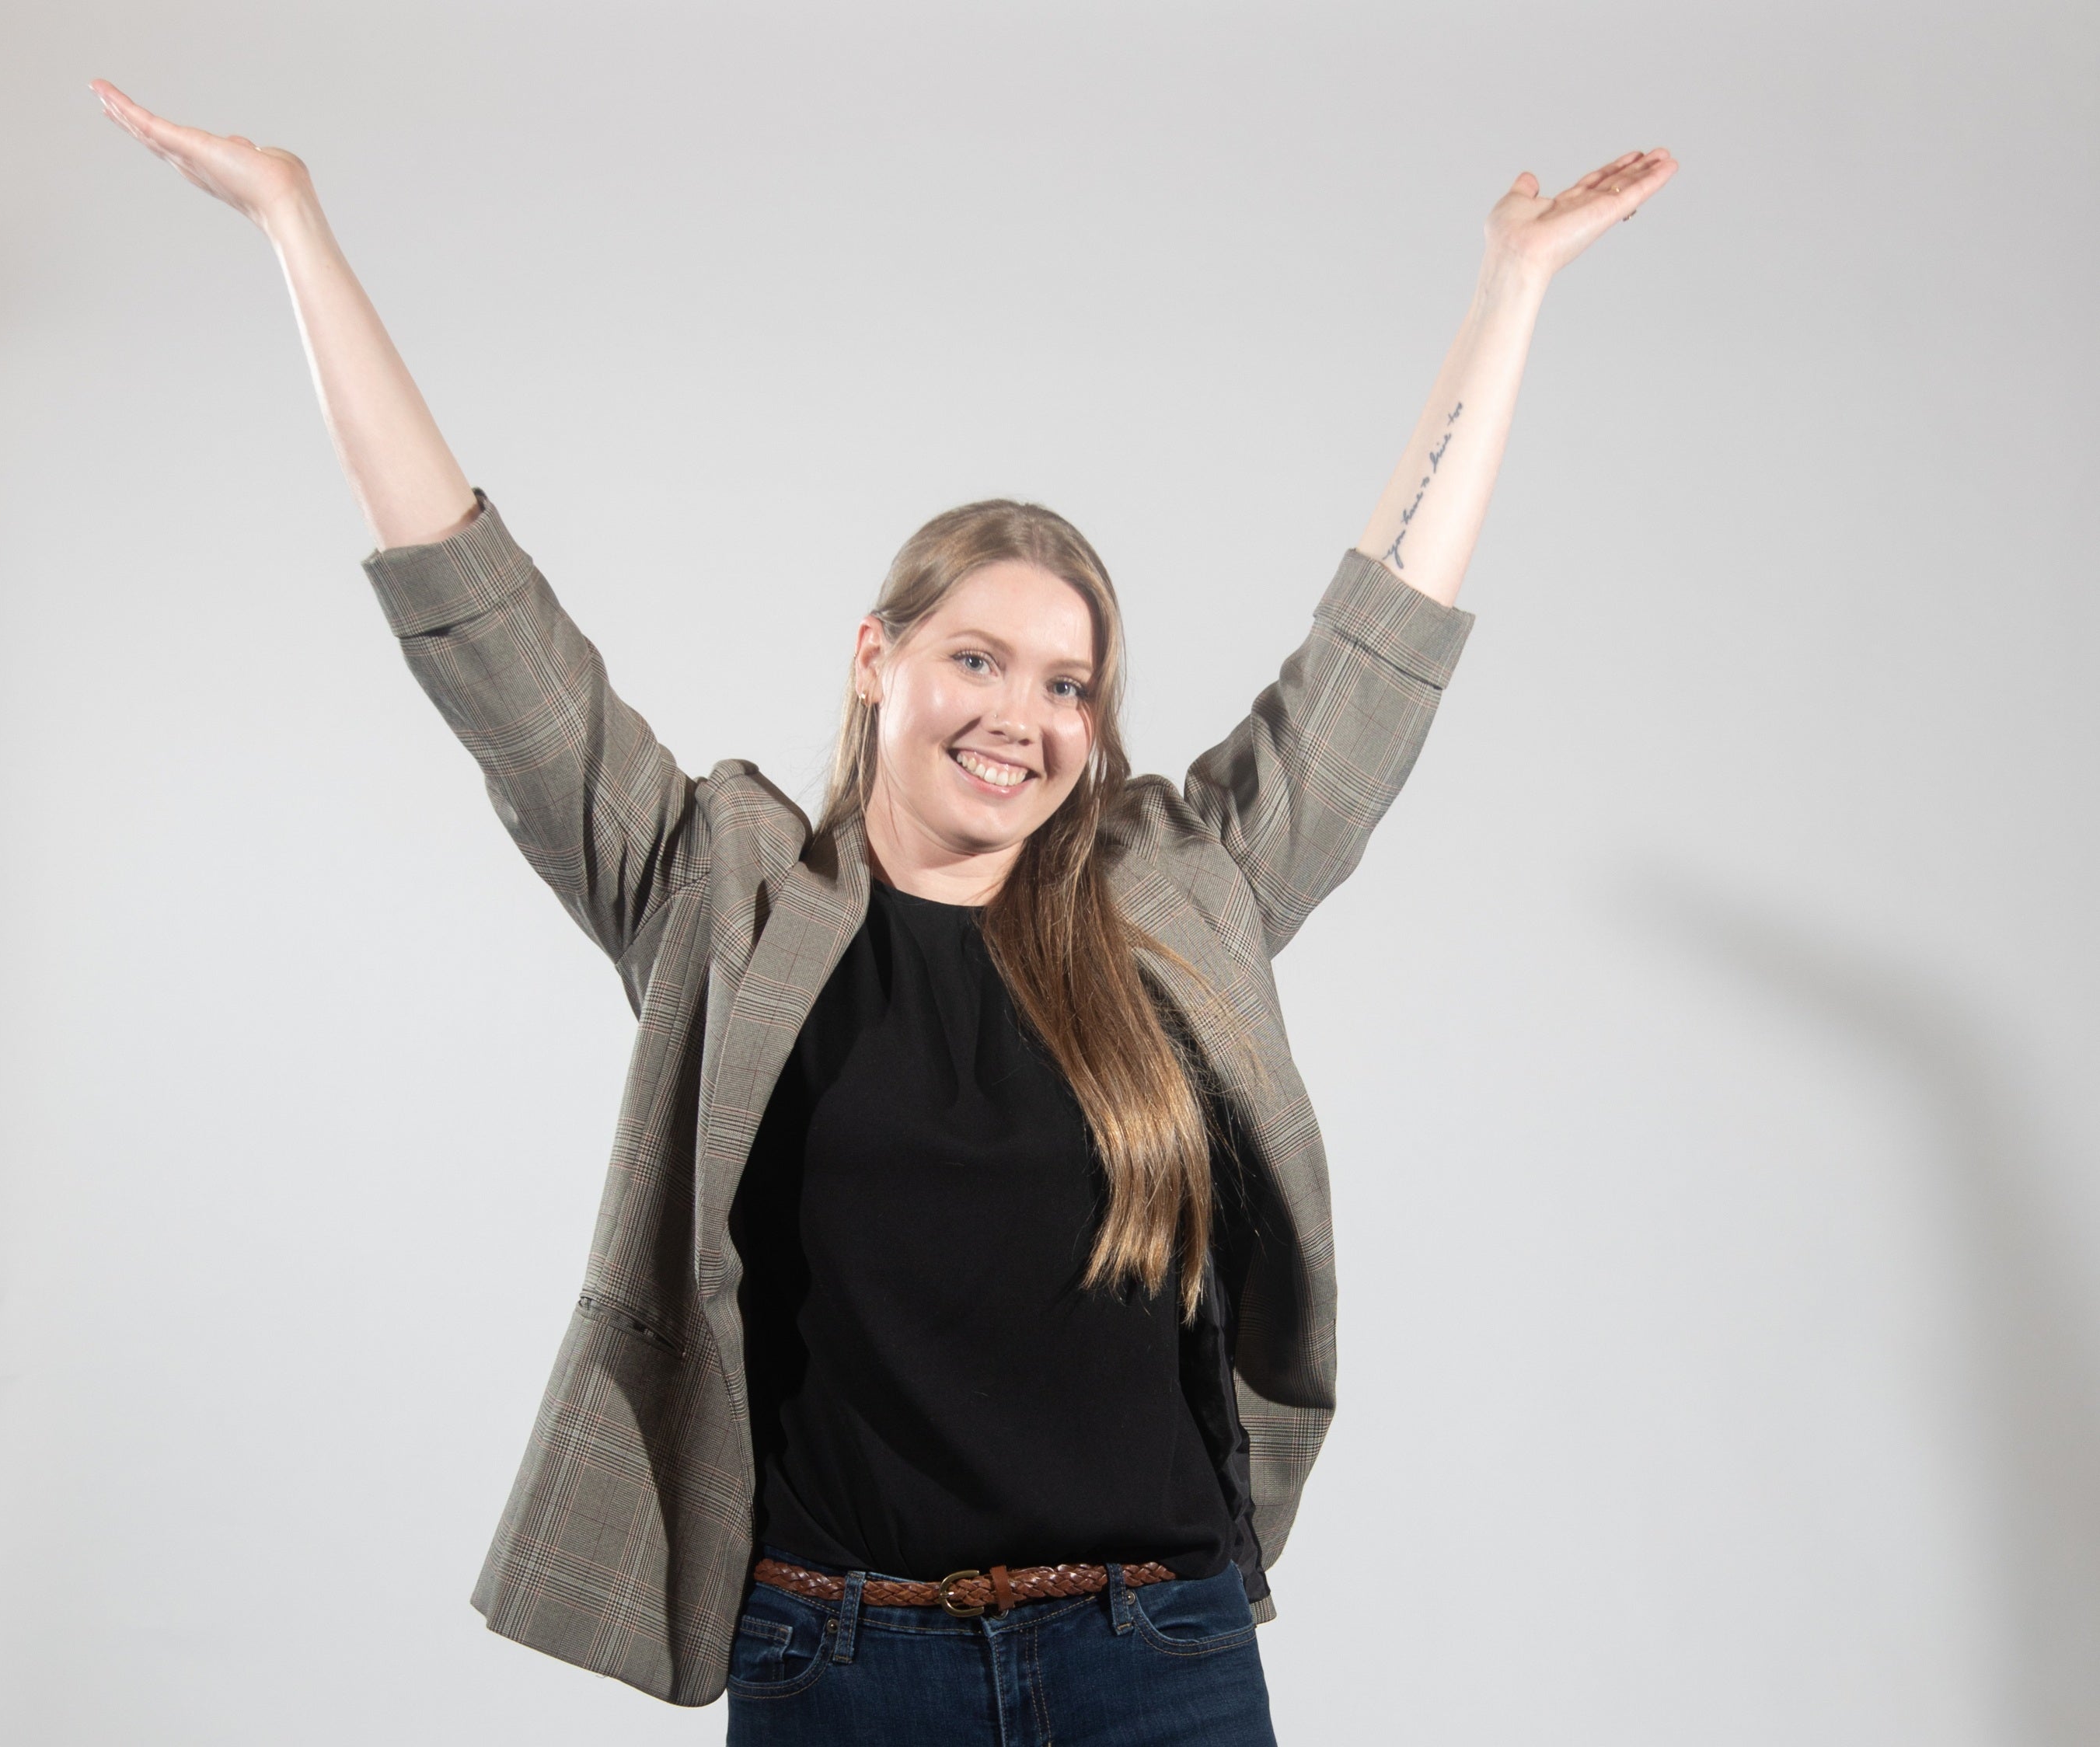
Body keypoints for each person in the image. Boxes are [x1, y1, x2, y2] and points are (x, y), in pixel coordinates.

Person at [92, 75, 1676, 1746]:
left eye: (1067, 681)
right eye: (976, 658)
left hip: (1157, 1658)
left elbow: (1381, 643)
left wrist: (1511, 288)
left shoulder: (1178, 892)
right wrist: (296, 225)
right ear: (878, 660)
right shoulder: (723, 891)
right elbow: (483, 621)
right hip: (843, 1667)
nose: (1023, 715)